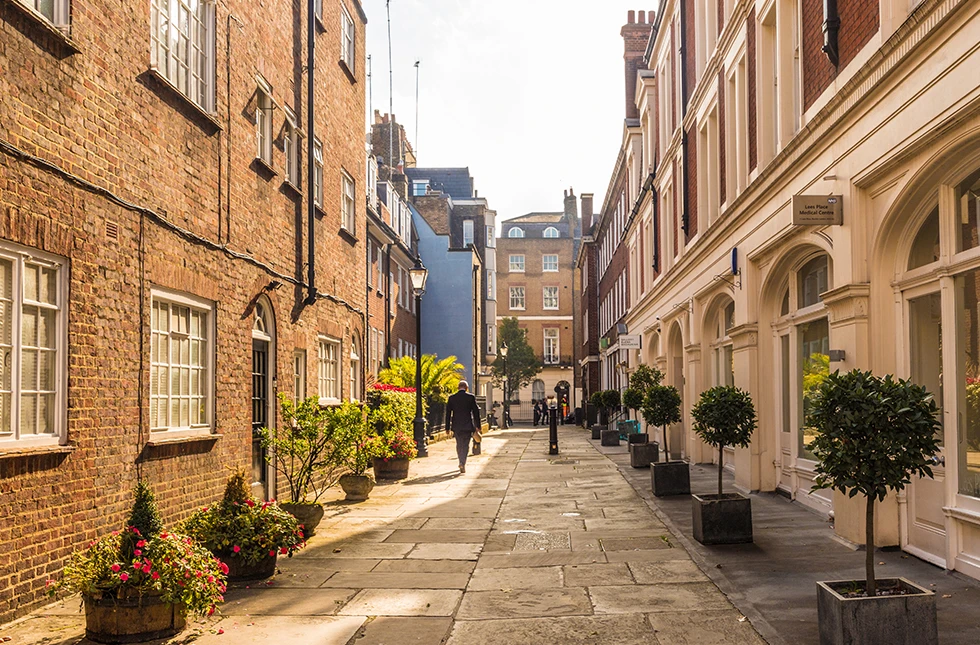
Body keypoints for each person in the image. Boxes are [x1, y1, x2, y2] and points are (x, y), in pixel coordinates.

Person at [445, 380, 482, 474]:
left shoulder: (452, 398)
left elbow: (448, 413)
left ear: (458, 388)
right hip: (467, 425)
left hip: (456, 426)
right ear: (466, 388)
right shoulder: (470, 397)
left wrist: (447, 427)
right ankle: (462, 462)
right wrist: (478, 426)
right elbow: (476, 412)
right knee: (465, 445)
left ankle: (460, 461)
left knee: (459, 444)